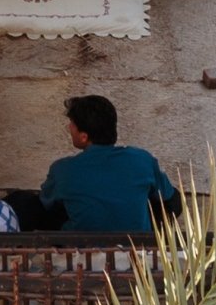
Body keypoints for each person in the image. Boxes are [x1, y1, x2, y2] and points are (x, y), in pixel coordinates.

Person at [39, 95, 175, 234]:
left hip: (81, 252)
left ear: (84, 136)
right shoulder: (141, 159)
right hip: (136, 250)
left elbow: (45, 205)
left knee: (28, 204)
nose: (69, 127)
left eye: (72, 123)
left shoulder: (63, 170)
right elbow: (173, 202)